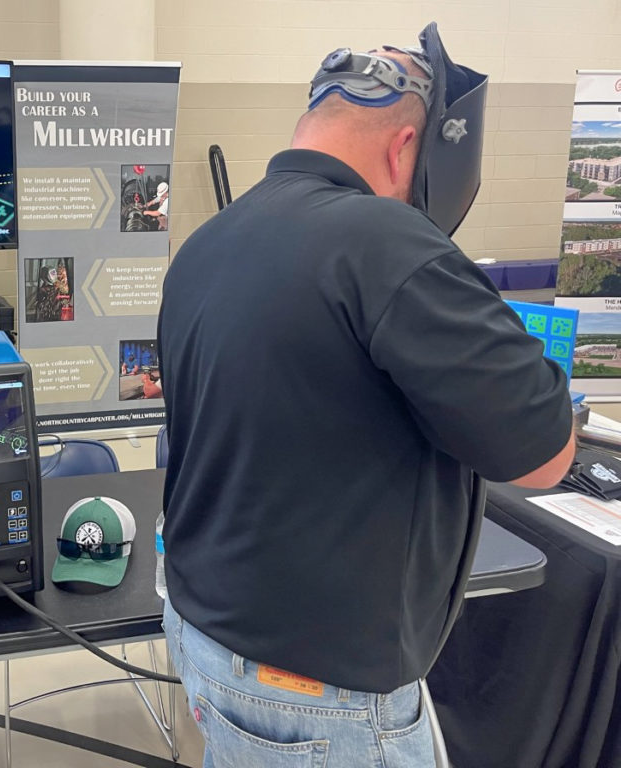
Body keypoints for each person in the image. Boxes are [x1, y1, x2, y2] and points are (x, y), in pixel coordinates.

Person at [157, 24, 575, 768]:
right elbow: (542, 454)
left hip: (207, 643)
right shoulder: (385, 241)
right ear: (404, 147)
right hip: (318, 694)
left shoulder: (208, 243)